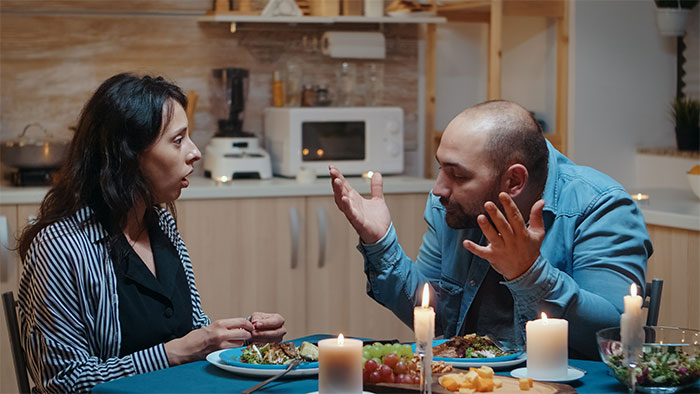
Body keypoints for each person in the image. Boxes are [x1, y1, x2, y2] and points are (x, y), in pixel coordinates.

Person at [17, 73, 287, 393]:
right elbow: (61, 382)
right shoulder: (62, 246)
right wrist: (173, 353)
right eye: (178, 140)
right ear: (129, 156)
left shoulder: (161, 225)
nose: (195, 153)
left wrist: (242, 339)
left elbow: (194, 333)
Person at [329, 100, 652, 359]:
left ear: (513, 181)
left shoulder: (598, 207)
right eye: (440, 167)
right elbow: (431, 315)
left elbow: (616, 340)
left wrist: (529, 274)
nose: (438, 189)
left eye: (457, 175)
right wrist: (381, 243)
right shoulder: (452, 207)